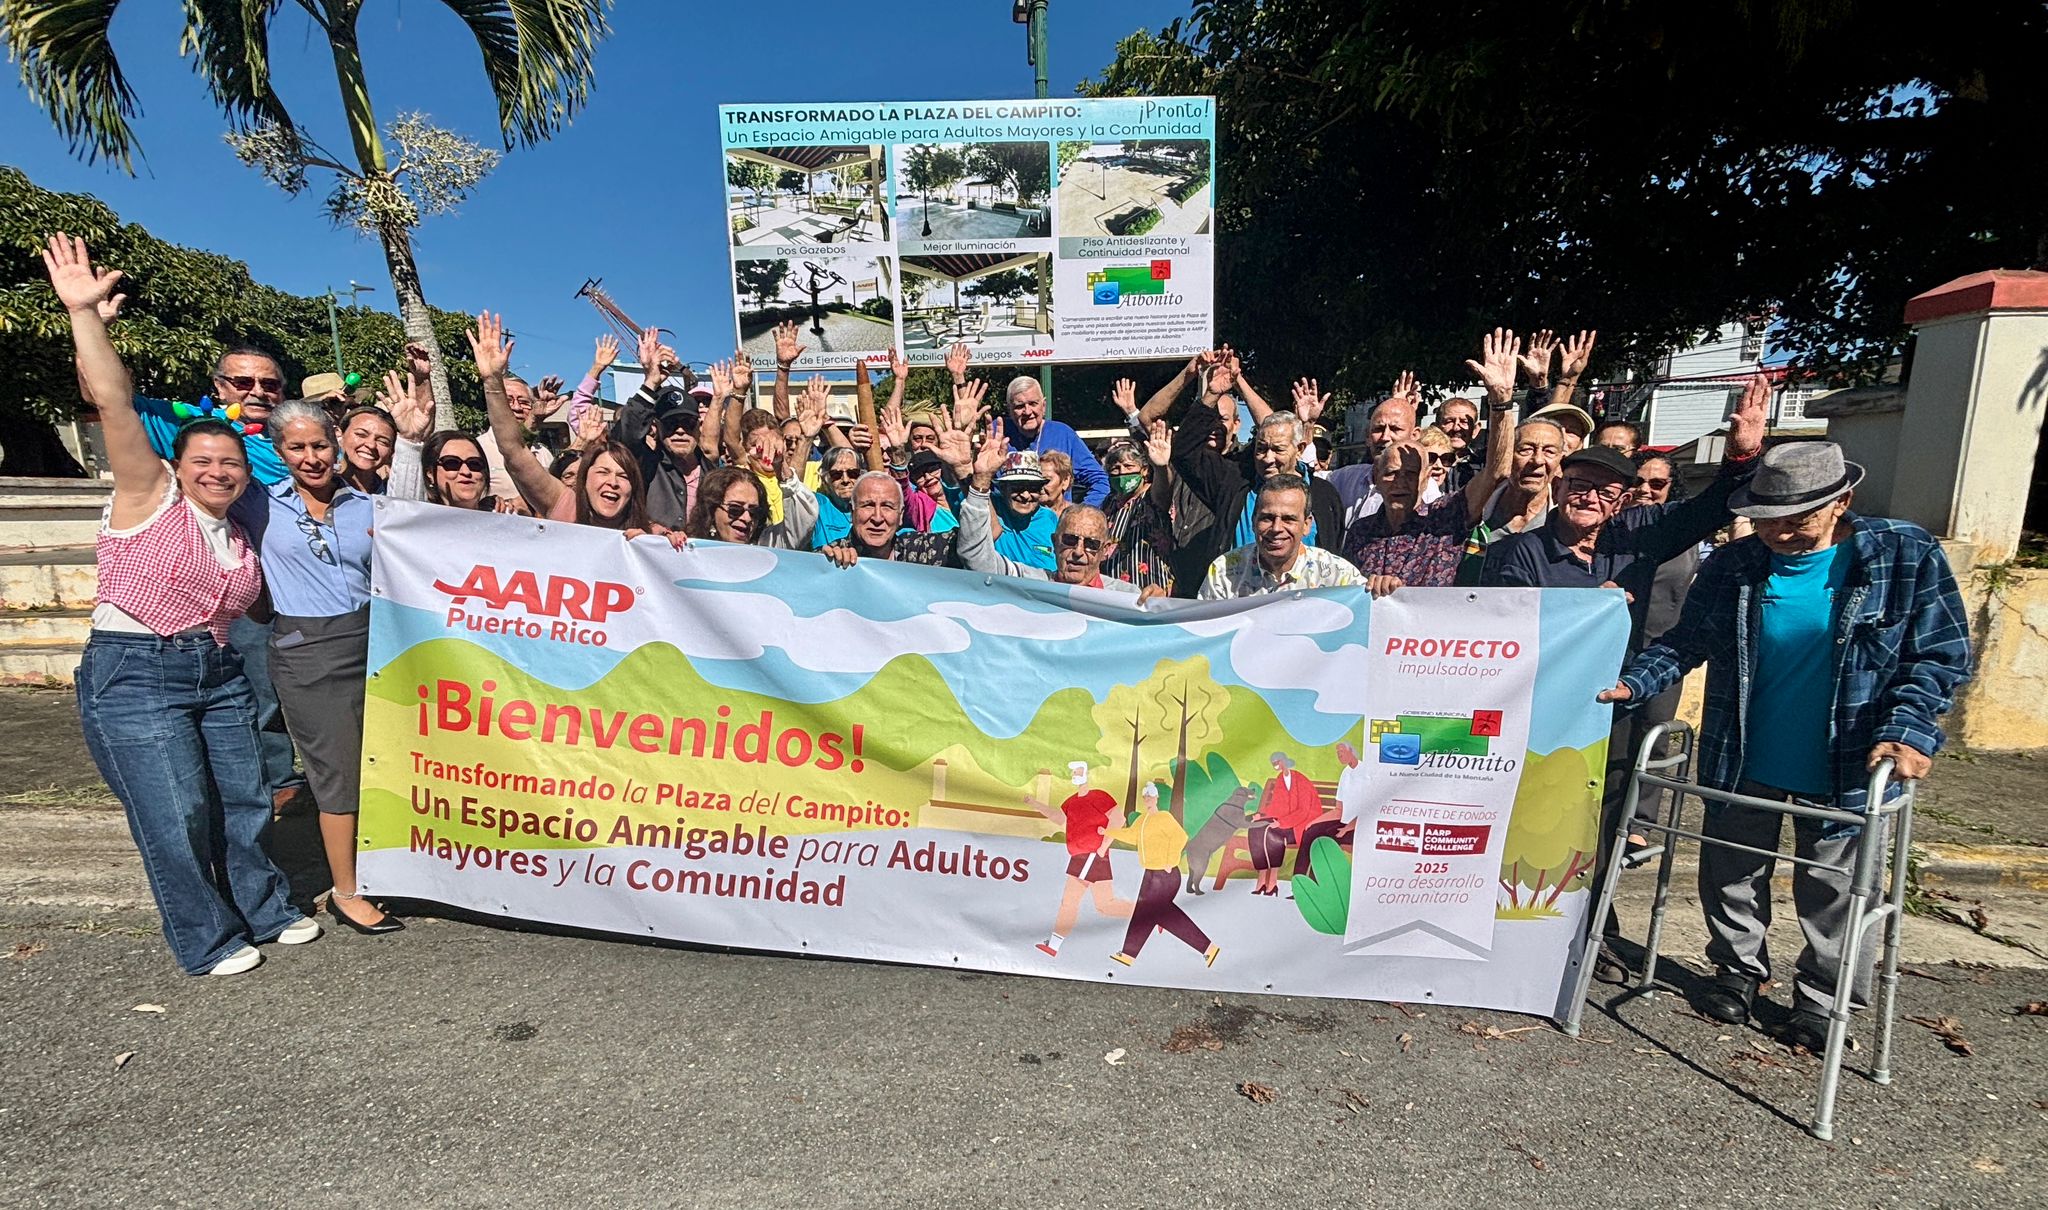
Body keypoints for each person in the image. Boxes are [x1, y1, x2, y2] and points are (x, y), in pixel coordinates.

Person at [1599, 441, 1972, 1050]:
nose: (1777, 534)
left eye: (1794, 520)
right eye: (1766, 520)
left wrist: (1909, 729)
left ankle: (1822, 1001)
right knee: (1731, 873)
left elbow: (1940, 655)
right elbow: (1687, 640)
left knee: (1834, 891)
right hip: (1743, 746)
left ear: (1841, 502)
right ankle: (1737, 972)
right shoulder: (1735, 564)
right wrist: (1633, 682)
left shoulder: (1903, 554)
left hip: (1849, 755)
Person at [48, 232, 317, 975]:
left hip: (219, 670)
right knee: (176, 815)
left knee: (243, 797)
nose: (218, 471)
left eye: (230, 464)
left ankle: (265, 907)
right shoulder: (148, 493)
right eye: (204, 459)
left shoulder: (240, 533)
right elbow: (111, 400)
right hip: (134, 671)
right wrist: (84, 316)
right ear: (181, 462)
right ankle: (207, 939)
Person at [229, 398, 397, 935]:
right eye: (297, 447)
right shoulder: (257, 503)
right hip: (306, 652)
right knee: (337, 772)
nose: (311, 456)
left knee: (381, 764)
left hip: (372, 643)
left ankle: (383, 866)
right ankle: (346, 891)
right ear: (279, 452)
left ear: (337, 444)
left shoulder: (367, 505)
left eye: (320, 444)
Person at [1477, 373, 1767, 631]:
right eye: (1579, 486)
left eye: (1606, 492)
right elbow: (1506, 630)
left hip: (1626, 685)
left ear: (1622, 501)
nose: (1590, 498)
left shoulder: (1639, 532)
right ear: (1558, 487)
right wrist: (1585, 609)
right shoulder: (1521, 551)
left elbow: (1711, 509)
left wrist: (1742, 456)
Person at [1342, 328, 1520, 592]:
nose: (1400, 482)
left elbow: (1498, 471)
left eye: (1411, 474)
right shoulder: (1359, 532)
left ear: (1426, 479)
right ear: (1376, 479)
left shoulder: (1446, 517)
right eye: (1391, 473)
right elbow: (1345, 595)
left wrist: (1501, 401)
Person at [472, 312, 663, 536]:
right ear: (584, 478)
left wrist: (657, 543)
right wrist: (493, 382)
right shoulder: (564, 507)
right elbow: (514, 452)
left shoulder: (650, 534)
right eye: (603, 472)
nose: (613, 482)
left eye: (623, 477)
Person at [1173, 394, 1343, 594]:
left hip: (1305, 612)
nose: (1268, 458)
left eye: (1278, 449)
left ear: (1299, 449)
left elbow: (1336, 549)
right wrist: (1210, 395)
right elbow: (1184, 453)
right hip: (1239, 604)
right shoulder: (1233, 483)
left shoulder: (1324, 495)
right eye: (1261, 449)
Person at [1023, 762, 1135, 958]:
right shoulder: (1071, 801)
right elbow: (1058, 817)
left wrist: (1102, 847)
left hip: (1090, 856)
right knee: (1105, 905)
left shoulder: (1099, 796)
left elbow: (1119, 819)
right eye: (1073, 772)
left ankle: (1055, 945)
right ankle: (1150, 914)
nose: (1075, 774)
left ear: (1086, 774)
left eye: (1078, 771)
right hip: (1082, 857)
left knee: (1070, 900)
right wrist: (1035, 804)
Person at [1104, 783, 1219, 968]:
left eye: (1150, 796)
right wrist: (1107, 832)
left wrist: (1170, 860)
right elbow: (1132, 836)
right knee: (1146, 913)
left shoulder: (1164, 817)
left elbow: (1180, 837)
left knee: (1159, 914)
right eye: (1145, 796)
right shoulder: (1141, 820)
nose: (1148, 799)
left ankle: (1208, 948)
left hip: (1165, 875)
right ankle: (1128, 954)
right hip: (1150, 873)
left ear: (1157, 798)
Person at [1197, 475, 1362, 600]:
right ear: (1254, 521)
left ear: (1306, 525)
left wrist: (1381, 589)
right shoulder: (1224, 572)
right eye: (1267, 518)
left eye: (1288, 519)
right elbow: (1206, 634)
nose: (1276, 528)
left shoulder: (1338, 575)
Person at [999, 370, 1110, 506]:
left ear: (1044, 406)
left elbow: (1100, 482)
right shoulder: (998, 432)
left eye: (1033, 404)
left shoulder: (1062, 434)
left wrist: (1079, 515)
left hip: (1056, 523)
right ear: (1009, 409)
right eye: (1019, 406)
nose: (1027, 412)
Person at [1098, 412, 1176, 593]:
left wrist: (1161, 467)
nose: (1121, 472)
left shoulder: (1150, 496)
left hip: (1152, 587)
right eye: (1115, 468)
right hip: (1116, 590)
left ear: (1143, 470)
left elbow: (1164, 488)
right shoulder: (1109, 503)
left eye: (1129, 467)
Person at [819, 471, 956, 567]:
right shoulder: (832, 557)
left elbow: (968, 545)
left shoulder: (922, 549)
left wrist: (963, 473)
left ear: (901, 515)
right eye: (868, 505)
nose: (877, 518)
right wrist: (826, 567)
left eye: (887, 507)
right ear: (852, 510)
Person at [1248, 752, 1321, 896]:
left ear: (1284, 761)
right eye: (1273, 762)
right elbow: (1277, 805)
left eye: (1277, 761)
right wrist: (1262, 815)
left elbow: (1304, 811)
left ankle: (1273, 882)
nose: (1275, 764)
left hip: (1304, 824)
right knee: (1255, 829)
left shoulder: (1300, 780)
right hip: (1286, 820)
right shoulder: (1281, 778)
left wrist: (1281, 822)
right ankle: (1262, 880)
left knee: (1272, 833)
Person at [685, 466, 767, 544]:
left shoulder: (769, 556)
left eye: (754, 511)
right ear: (711, 509)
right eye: (735, 509)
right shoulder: (686, 552)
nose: (747, 518)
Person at [810, 446, 864, 549]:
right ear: (825, 478)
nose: (845, 479)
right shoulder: (816, 504)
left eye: (852, 473)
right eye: (836, 474)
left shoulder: (871, 507)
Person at [336, 403, 395, 495]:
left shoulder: (393, 494)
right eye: (361, 435)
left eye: (383, 441)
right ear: (339, 434)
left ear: (392, 451)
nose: (371, 445)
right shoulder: (321, 489)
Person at [1038, 449, 1074, 516]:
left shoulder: (1075, 516)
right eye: (1037, 481)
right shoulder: (1029, 517)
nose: (1040, 487)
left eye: (1046, 481)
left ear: (1065, 480)